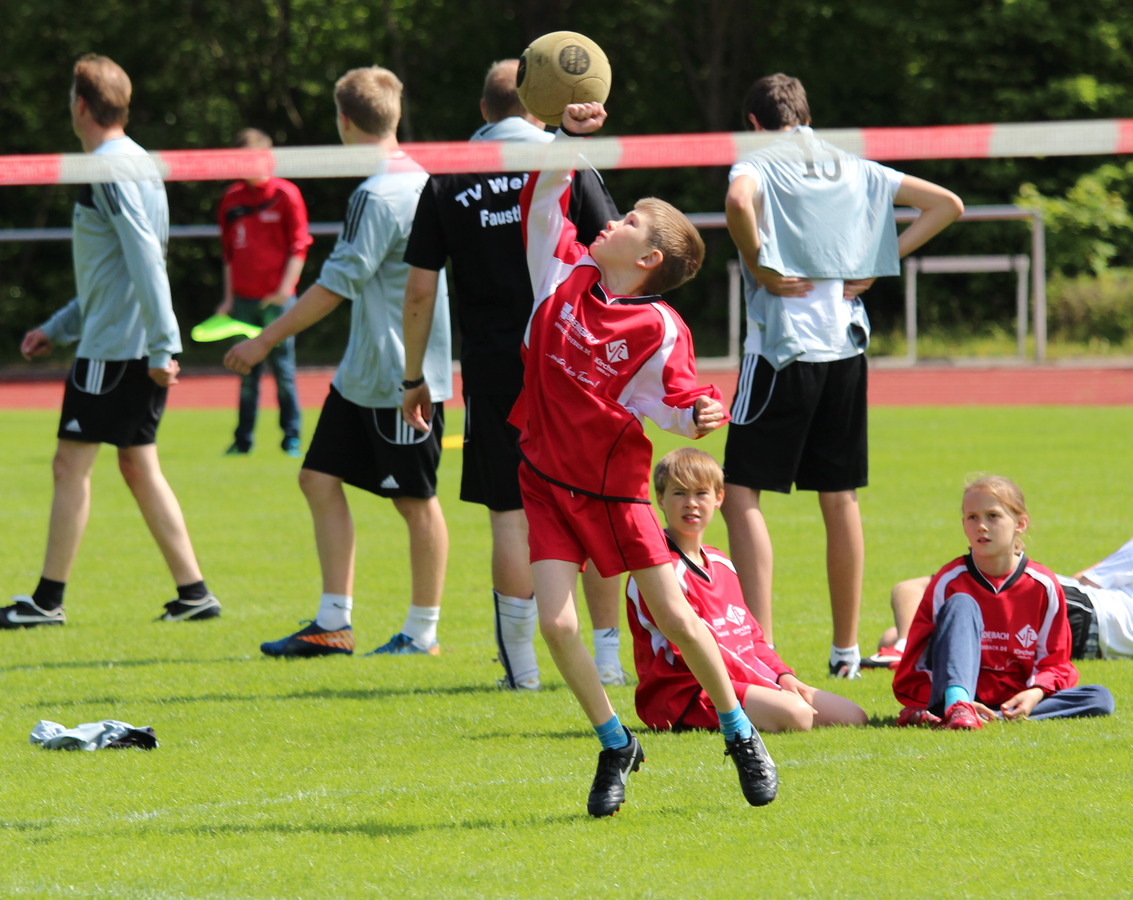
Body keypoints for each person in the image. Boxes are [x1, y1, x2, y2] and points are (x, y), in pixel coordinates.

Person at [514, 100, 777, 817]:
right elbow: (542, 194)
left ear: (648, 260)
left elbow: (677, 404)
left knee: (674, 616)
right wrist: (565, 137)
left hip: (615, 491)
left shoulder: (656, 325)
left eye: (628, 220)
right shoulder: (558, 273)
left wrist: (701, 412)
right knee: (558, 625)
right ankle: (613, 742)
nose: (609, 219)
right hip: (543, 481)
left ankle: (739, 731)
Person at [720, 73, 964, 679]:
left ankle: (762, 648)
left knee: (741, 492)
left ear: (754, 123)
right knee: (839, 497)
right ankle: (845, 650)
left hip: (781, 350)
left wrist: (761, 265)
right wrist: (881, 260)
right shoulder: (852, 163)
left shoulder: (759, 159)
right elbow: (947, 205)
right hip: (845, 350)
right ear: (806, 115)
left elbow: (736, 204)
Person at [400, 59, 624, 691]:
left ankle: (523, 671)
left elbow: (420, 290)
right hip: (576, 356)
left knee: (509, 512)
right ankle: (606, 660)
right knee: (595, 499)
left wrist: (415, 374)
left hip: (497, 363)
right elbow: (616, 246)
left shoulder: (448, 175)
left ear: (482, 110)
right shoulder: (569, 160)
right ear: (539, 109)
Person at [224, 66, 452, 658]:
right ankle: (333, 624)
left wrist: (262, 341)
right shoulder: (421, 178)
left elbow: (334, 287)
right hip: (365, 374)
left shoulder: (377, 193)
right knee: (317, 478)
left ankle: (421, 632)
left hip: (399, 375)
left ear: (343, 121)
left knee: (414, 500)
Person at [3, 54, 220, 627]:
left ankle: (46, 603)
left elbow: (146, 256)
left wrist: (163, 345)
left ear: (80, 104)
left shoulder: (108, 166)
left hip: (115, 353)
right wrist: (57, 327)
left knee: (69, 465)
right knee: (136, 464)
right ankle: (194, 592)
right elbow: (119, 271)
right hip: (124, 342)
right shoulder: (136, 162)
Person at [628, 448, 867, 732]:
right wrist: (767, 685)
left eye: (701, 493)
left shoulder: (721, 562)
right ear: (660, 499)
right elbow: (695, 652)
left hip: (741, 680)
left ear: (719, 498)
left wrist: (782, 676)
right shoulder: (660, 572)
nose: (691, 503)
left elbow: (750, 635)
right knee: (798, 716)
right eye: (679, 493)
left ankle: (771, 700)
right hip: (688, 692)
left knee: (854, 716)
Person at [892, 475, 1114, 729]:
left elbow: (1055, 662)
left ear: (1020, 523)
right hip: (956, 690)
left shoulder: (1043, 584)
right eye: (972, 517)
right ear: (963, 524)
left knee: (1099, 697)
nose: (982, 526)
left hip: (1012, 696)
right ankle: (957, 705)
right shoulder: (949, 581)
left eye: (993, 516)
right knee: (962, 603)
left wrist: (1035, 693)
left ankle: (989, 716)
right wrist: (944, 695)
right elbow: (915, 665)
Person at [868, 536, 1133, 668]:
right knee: (892, 635)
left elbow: (1088, 580)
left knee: (912, 590)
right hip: (1087, 634)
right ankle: (903, 646)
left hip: (1085, 611)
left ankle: (904, 647)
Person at [216, 127, 312, 458]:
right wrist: (228, 299)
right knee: (245, 373)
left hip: (278, 303)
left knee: (283, 372)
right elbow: (228, 252)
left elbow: (300, 246)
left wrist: (285, 290)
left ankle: (292, 438)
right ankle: (243, 440)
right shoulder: (231, 199)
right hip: (242, 302)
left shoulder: (286, 194)